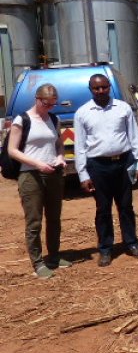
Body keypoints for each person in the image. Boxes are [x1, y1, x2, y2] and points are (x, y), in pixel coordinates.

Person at [75, 74, 138, 266]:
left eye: (104, 87)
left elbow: (134, 137)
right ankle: (106, 249)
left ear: (109, 87)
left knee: (126, 206)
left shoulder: (123, 108)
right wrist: (83, 174)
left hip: (124, 163)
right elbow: (80, 147)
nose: (101, 91)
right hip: (98, 166)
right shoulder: (83, 113)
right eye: (96, 88)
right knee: (103, 209)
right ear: (91, 90)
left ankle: (131, 242)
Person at [7, 84, 69, 279]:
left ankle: (54, 256)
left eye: (53, 104)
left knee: (54, 218)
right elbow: (12, 150)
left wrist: (60, 157)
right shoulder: (22, 120)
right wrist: (37, 164)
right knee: (34, 221)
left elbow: (58, 144)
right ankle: (38, 262)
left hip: (53, 173)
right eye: (46, 103)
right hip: (30, 175)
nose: (49, 107)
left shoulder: (53, 119)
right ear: (37, 99)